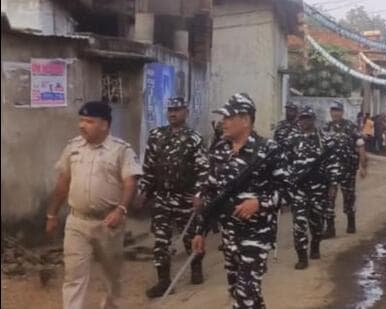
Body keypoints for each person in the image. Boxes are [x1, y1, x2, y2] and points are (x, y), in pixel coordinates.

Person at [192, 93, 289, 309]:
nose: (223, 122)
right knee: (241, 292)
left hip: (257, 235)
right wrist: (201, 231)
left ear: (245, 120)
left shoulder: (269, 150)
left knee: (244, 296)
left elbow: (287, 190)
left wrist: (260, 203)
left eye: (228, 117)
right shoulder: (219, 151)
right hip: (229, 236)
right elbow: (211, 194)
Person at [45, 101, 142, 309]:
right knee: (74, 275)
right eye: (81, 120)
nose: (82, 125)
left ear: (104, 125)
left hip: (108, 223)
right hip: (77, 222)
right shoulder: (73, 147)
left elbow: (130, 182)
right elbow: (63, 182)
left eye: (89, 121)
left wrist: (121, 210)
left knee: (111, 275)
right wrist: (52, 215)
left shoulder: (121, 150)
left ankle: (110, 305)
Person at [138, 97, 210, 298]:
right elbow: (149, 167)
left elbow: (204, 169)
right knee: (161, 240)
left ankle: (196, 267)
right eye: (170, 109)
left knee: (190, 239)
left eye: (177, 109)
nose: (172, 113)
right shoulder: (156, 136)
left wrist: (198, 194)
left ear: (186, 112)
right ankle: (163, 281)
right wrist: (144, 190)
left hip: (185, 198)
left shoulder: (194, 138)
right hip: (162, 197)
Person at [287, 106, 340, 270]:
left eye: (307, 118)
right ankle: (302, 256)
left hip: (319, 188)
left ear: (313, 120)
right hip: (299, 189)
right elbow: (286, 163)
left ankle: (315, 245)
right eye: (301, 118)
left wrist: (333, 184)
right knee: (299, 224)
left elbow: (333, 163)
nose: (304, 121)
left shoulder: (324, 140)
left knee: (317, 223)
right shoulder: (293, 140)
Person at [323, 101, 366, 238]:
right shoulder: (326, 128)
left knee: (349, 197)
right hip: (330, 171)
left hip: (348, 169)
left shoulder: (350, 126)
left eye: (338, 110)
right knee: (329, 199)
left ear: (342, 112)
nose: (335, 113)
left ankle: (351, 223)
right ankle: (330, 229)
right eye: (333, 110)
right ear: (330, 112)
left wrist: (363, 166)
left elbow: (360, 146)